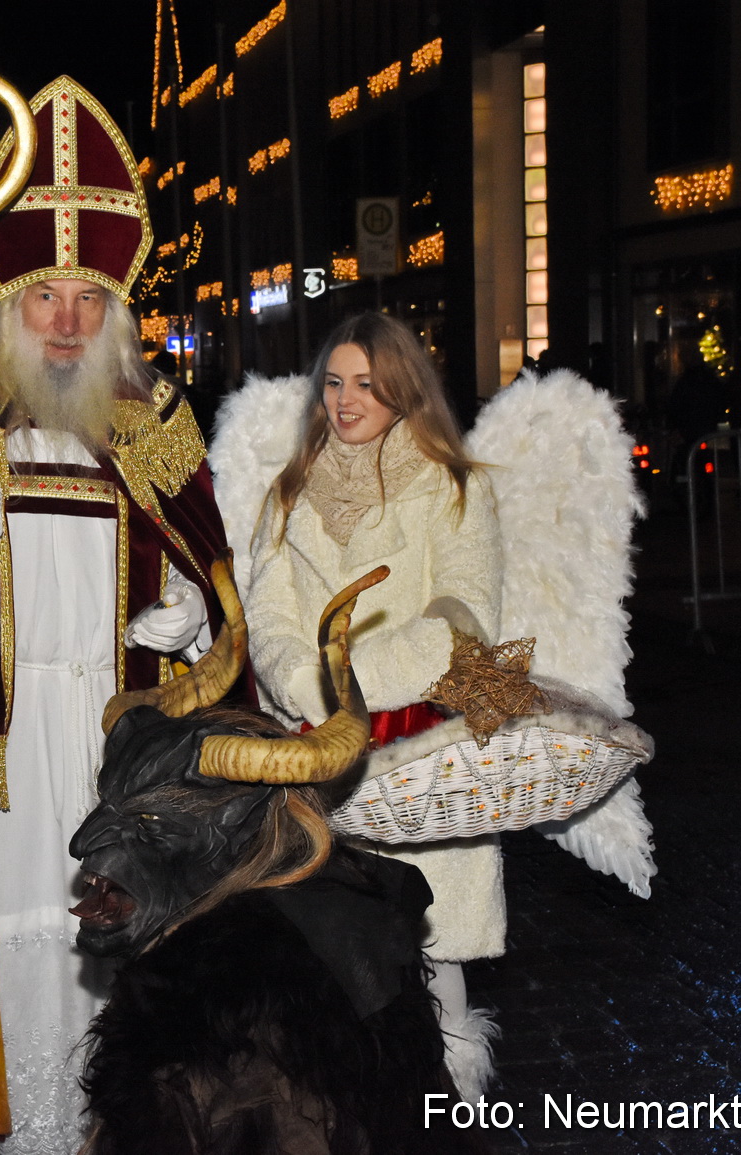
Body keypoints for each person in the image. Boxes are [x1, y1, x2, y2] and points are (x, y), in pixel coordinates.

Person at [0, 75, 236, 1153]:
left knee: (130, 944)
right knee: (16, 941)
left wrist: (190, 621)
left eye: (87, 303)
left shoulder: (152, 416)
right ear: (6, 305)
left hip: (119, 744)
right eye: (43, 299)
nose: (66, 325)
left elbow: (207, 565)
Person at [236, 312, 505, 1099]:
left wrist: (363, 679)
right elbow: (271, 615)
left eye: (366, 385)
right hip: (313, 749)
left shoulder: (454, 485)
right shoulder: (289, 492)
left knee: (432, 950)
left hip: (418, 746)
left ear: (402, 392)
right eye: (334, 382)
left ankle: (453, 1110)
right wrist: (305, 682)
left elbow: (465, 611)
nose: (346, 401)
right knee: (324, 947)